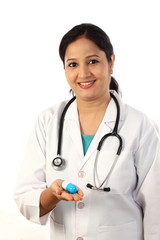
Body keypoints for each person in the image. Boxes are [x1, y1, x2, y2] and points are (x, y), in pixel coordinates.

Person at [14, 23, 160, 240]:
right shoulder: (48, 121)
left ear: (111, 62)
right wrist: (52, 195)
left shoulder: (140, 126)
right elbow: (26, 197)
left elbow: (157, 211)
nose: (83, 73)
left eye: (93, 61)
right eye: (72, 64)